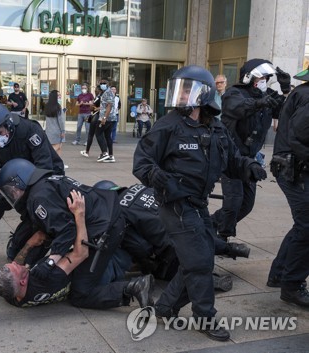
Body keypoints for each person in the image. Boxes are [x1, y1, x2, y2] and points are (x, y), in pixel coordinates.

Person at [132, 65, 267, 341]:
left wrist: (249, 166)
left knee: (197, 258)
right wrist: (160, 179)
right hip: (175, 206)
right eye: (178, 88)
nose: (181, 94)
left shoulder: (215, 127)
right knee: (200, 263)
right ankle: (205, 317)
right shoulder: (168, 125)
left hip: (198, 205)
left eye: (186, 88)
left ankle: (166, 307)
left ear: (202, 94)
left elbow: (231, 160)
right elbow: (142, 163)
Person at [0, 158, 154, 309]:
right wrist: (79, 214)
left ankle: (133, 260)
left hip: (105, 222)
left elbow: (59, 231)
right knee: (81, 293)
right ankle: (134, 286)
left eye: (12, 191)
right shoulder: (42, 189)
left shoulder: (14, 296)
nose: (17, 262)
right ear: (23, 282)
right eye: (16, 266)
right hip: (105, 223)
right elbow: (80, 252)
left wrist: (41, 250)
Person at [93, 180, 251, 291]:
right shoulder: (139, 187)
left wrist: (142, 260)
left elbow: (142, 247)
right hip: (191, 221)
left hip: (173, 246)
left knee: (162, 271)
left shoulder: (119, 213)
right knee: (196, 236)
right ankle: (229, 248)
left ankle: (209, 280)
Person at [0, 103, 64, 262]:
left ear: (8, 125)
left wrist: (27, 195)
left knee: (35, 215)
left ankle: (19, 245)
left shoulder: (30, 130)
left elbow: (44, 165)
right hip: (11, 183)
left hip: (41, 181)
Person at [211, 59, 289, 241]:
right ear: (249, 77)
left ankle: (210, 224)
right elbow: (238, 108)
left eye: (267, 77)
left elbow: (287, 111)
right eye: (261, 76)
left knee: (246, 204)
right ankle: (221, 237)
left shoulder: (267, 94)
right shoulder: (234, 93)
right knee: (233, 202)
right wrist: (260, 103)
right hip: (231, 156)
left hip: (250, 158)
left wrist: (286, 90)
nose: (264, 80)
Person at [267, 66, 309, 308]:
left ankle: (280, 274)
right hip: (295, 169)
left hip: (293, 168)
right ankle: (291, 285)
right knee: (307, 228)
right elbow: (298, 136)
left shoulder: (302, 93)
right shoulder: (307, 95)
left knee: (303, 225)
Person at [95, 78, 116, 163]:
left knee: (98, 133)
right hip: (110, 118)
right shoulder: (105, 92)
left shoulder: (108, 92)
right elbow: (105, 105)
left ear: (108, 84)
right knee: (107, 136)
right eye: (101, 83)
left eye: (104, 83)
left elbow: (109, 106)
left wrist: (104, 118)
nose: (102, 84)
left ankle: (104, 153)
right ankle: (110, 155)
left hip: (106, 118)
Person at [80, 85, 102, 158]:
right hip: (97, 116)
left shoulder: (99, 97)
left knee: (95, 135)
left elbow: (92, 106)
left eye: (96, 90)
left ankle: (88, 151)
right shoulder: (99, 97)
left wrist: (94, 107)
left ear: (99, 90)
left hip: (96, 117)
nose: (95, 91)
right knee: (96, 135)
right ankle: (104, 152)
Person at [44, 90, 66, 159]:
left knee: (59, 148)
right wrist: (63, 131)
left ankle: (60, 164)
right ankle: (47, 158)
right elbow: (61, 121)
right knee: (58, 146)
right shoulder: (58, 107)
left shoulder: (47, 106)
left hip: (49, 130)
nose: (60, 96)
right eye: (58, 95)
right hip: (57, 131)